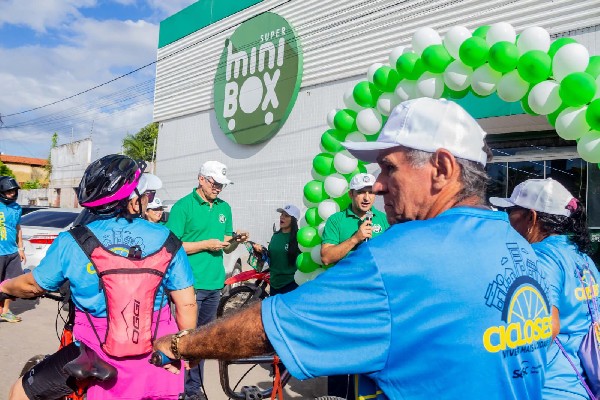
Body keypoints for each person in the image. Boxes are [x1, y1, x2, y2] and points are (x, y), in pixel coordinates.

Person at [153, 98, 551, 399]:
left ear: (443, 170)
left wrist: (178, 344)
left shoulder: (403, 253)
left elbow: (269, 328)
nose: (376, 186)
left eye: (389, 167)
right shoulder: (520, 245)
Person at [1, 155, 197, 400]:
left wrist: (5, 287)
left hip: (97, 353)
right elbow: (186, 303)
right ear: (133, 200)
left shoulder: (73, 241)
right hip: (159, 355)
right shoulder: (167, 238)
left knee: (19, 392)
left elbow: (32, 286)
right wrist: (185, 350)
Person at [490, 178, 599, 399]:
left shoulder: (539, 256)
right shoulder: (582, 258)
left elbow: (547, 325)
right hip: (582, 384)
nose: (507, 219)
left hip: (550, 387)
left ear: (532, 217)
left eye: (511, 211)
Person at [166, 160, 248, 400]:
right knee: (183, 339)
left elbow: (227, 246)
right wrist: (205, 244)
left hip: (214, 283)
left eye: (222, 185)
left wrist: (236, 240)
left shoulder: (224, 208)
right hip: (187, 285)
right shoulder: (183, 206)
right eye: (215, 183)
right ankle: (176, 388)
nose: (218, 189)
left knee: (202, 341)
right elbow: (172, 246)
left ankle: (193, 389)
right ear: (201, 179)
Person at [319, 173, 389, 398]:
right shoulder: (337, 221)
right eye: (361, 192)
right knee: (339, 361)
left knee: (369, 360)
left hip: (374, 302)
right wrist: (356, 238)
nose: (367, 197)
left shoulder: (383, 219)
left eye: (370, 192)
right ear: (351, 194)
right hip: (342, 301)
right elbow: (326, 257)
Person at [253, 204, 301, 296]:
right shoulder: (276, 236)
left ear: (294, 220)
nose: (282, 217)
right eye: (282, 214)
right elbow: (272, 256)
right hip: (275, 283)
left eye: (286, 216)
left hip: (291, 283)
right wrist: (261, 250)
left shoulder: (298, 237)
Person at [0, 176, 25, 323]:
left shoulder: (17, 208)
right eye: (9, 192)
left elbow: (18, 228)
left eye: (14, 191)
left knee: (11, 283)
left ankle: (6, 311)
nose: (12, 194)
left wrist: (21, 248)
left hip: (12, 252)